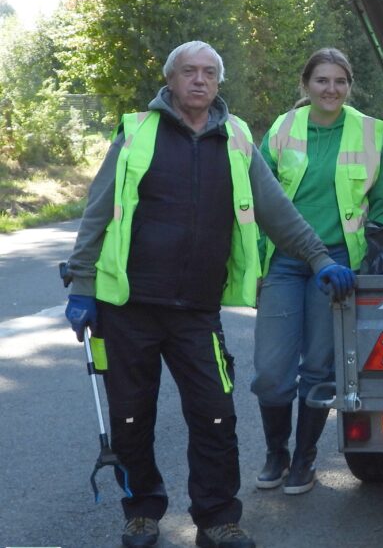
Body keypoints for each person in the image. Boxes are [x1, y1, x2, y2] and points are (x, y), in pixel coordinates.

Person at [63, 41, 355, 548]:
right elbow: (98, 210)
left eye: (209, 73)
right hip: (127, 307)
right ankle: (142, 512)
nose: (199, 80)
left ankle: (218, 518)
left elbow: (277, 210)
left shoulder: (236, 138)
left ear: (219, 83)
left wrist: (319, 257)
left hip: (198, 312)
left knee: (216, 414)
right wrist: (84, 286)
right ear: (171, 80)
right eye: (189, 72)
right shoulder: (137, 133)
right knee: (131, 417)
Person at [250, 48, 383, 495]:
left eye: (339, 81)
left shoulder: (371, 132)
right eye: (322, 81)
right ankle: (276, 450)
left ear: (349, 85)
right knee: (273, 374)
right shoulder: (283, 128)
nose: (331, 89)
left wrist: (375, 259)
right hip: (284, 261)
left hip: (337, 265)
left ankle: (303, 460)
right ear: (306, 85)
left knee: (318, 367)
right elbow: (255, 194)